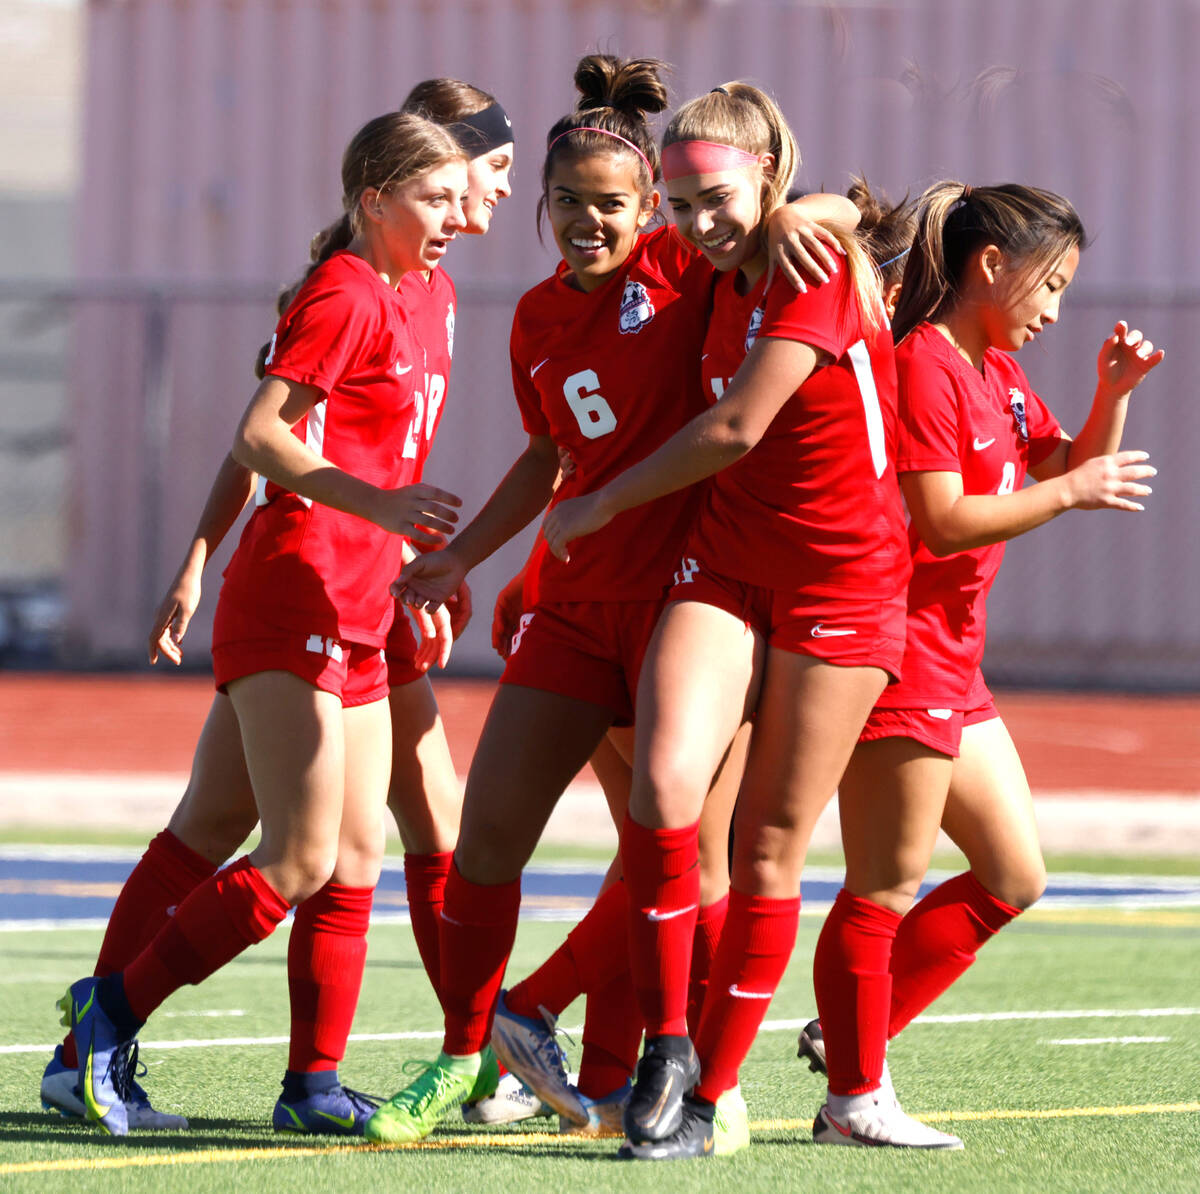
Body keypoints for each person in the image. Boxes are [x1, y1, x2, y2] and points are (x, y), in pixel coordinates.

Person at [367, 56, 854, 1147]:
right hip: (579, 604)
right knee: (487, 837)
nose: (591, 222)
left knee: (685, 850)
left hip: (696, 604)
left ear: (651, 210)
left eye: (613, 204)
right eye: (570, 203)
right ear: (543, 205)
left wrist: (818, 202)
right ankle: (466, 1056)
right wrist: (470, 560)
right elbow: (547, 459)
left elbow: (786, 213)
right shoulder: (537, 316)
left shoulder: (693, 262)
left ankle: (675, 1082)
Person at [39, 80, 522, 1137]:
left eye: (466, 191)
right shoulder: (345, 291)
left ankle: (310, 1085)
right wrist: (334, 519)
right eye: (440, 195)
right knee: (299, 858)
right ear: (375, 194)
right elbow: (263, 437)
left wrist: (410, 563)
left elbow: (358, 452)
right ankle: (98, 1034)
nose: (461, 214)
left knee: (324, 852)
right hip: (297, 590)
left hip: (357, 600)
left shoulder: (429, 296)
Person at [538, 80, 912, 1161]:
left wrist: (599, 502)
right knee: (663, 792)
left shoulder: (813, 260)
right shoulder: (719, 271)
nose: (702, 221)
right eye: (684, 200)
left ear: (769, 180)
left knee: (767, 851)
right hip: (733, 565)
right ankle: (668, 1047)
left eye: (724, 197)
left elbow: (739, 424)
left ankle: (710, 1099)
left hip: (842, 586)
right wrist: (822, 203)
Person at [804, 181, 1162, 1149]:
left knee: (1013, 874)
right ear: (991, 265)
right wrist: (1075, 489)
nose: (1054, 309)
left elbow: (1059, 468)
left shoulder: (994, 370)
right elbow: (945, 520)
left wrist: (1109, 401)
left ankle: (852, 1035)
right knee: (885, 883)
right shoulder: (925, 362)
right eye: (1051, 284)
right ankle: (853, 1098)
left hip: (954, 663)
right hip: (895, 652)